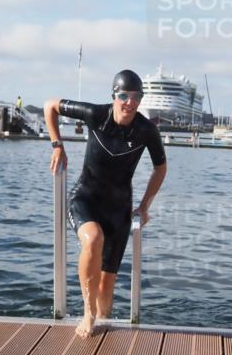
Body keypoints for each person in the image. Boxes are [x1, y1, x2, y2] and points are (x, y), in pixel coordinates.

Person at [44, 70, 167, 338]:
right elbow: (50, 106)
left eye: (136, 97)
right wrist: (57, 145)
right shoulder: (94, 114)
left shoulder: (146, 130)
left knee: (107, 283)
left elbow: (160, 167)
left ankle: (102, 324)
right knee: (93, 238)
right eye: (124, 96)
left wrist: (145, 206)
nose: (130, 102)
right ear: (114, 96)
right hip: (86, 198)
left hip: (119, 210)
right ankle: (88, 314)